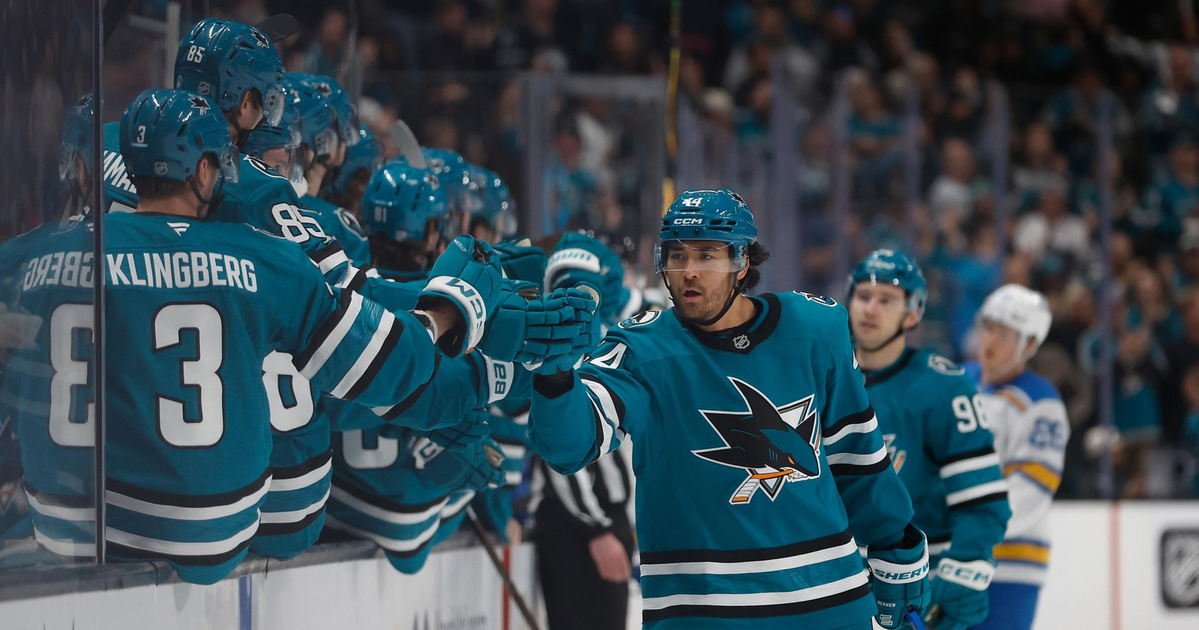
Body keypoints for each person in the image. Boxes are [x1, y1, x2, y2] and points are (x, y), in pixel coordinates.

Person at [1, 88, 503, 584]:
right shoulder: (263, 258)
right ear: (202, 171)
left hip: (70, 528)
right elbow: (383, 363)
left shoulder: (37, 252)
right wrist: (444, 314)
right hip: (215, 536)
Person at [527, 189, 931, 629]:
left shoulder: (817, 330)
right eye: (677, 256)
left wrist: (896, 546)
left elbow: (857, 457)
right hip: (704, 616)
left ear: (743, 262)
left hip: (831, 606)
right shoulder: (641, 351)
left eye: (707, 255)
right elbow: (569, 446)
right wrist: (555, 376)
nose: (689, 272)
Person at [847, 250, 1011, 630]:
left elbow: (982, 500)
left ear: (913, 313)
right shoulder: (824, 381)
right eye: (863, 296)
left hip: (918, 588)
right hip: (839, 583)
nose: (871, 309)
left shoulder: (943, 387)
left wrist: (964, 569)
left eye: (887, 300)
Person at [964, 284, 1069, 630]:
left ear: (1030, 345)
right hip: (949, 557)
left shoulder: (1041, 403)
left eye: (1006, 334)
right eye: (988, 327)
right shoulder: (957, 381)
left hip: (1010, 564)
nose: (990, 340)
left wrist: (972, 533)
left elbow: (1031, 489)